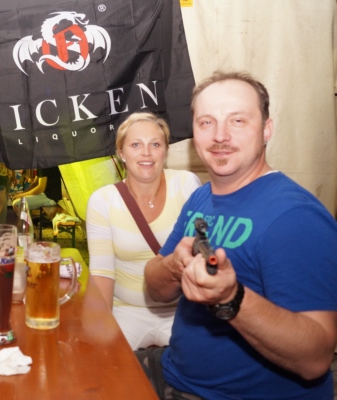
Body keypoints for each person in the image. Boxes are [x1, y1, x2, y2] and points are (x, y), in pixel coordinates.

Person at [138, 71, 337, 399]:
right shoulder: (201, 198)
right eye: (206, 122)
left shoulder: (296, 216)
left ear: (267, 129)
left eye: (238, 121)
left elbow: (315, 359)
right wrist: (174, 265)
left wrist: (231, 299)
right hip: (176, 375)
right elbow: (155, 288)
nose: (220, 136)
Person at [86, 112, 201, 351]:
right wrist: (99, 335)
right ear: (121, 153)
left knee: (202, 366)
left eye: (155, 144)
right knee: (104, 362)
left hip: (181, 310)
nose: (146, 152)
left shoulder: (186, 185)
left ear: (165, 151)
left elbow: (199, 255)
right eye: (136, 145)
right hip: (126, 312)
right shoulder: (103, 201)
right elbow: (102, 275)